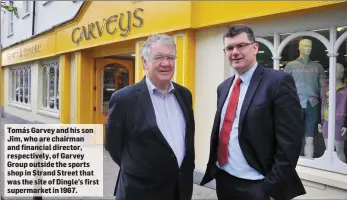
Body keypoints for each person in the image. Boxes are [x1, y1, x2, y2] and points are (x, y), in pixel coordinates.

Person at [200, 24, 306, 200]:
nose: (235, 52)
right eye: (229, 48)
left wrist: (272, 187)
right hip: (224, 179)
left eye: (241, 45)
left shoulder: (278, 82)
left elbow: (290, 142)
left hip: (258, 185)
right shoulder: (224, 87)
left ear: (255, 48)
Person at [105, 34, 195, 200]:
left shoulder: (184, 95)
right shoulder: (124, 99)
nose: (166, 63)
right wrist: (138, 169)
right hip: (140, 191)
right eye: (159, 57)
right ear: (144, 62)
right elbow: (113, 146)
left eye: (170, 57)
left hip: (180, 191)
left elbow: (187, 140)